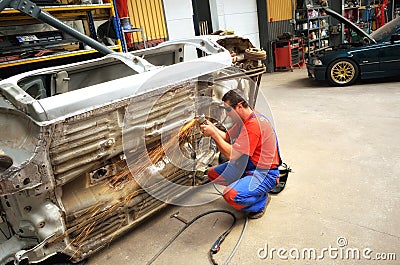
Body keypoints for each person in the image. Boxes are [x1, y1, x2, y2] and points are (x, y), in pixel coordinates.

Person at [200, 89, 282, 219]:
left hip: (264, 173)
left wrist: (213, 134)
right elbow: (227, 137)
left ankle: (261, 202)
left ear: (239, 106)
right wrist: (211, 126)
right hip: (248, 166)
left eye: (228, 110)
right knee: (213, 174)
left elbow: (232, 156)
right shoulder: (244, 120)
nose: (227, 115)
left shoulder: (254, 125)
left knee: (230, 195)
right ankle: (245, 186)